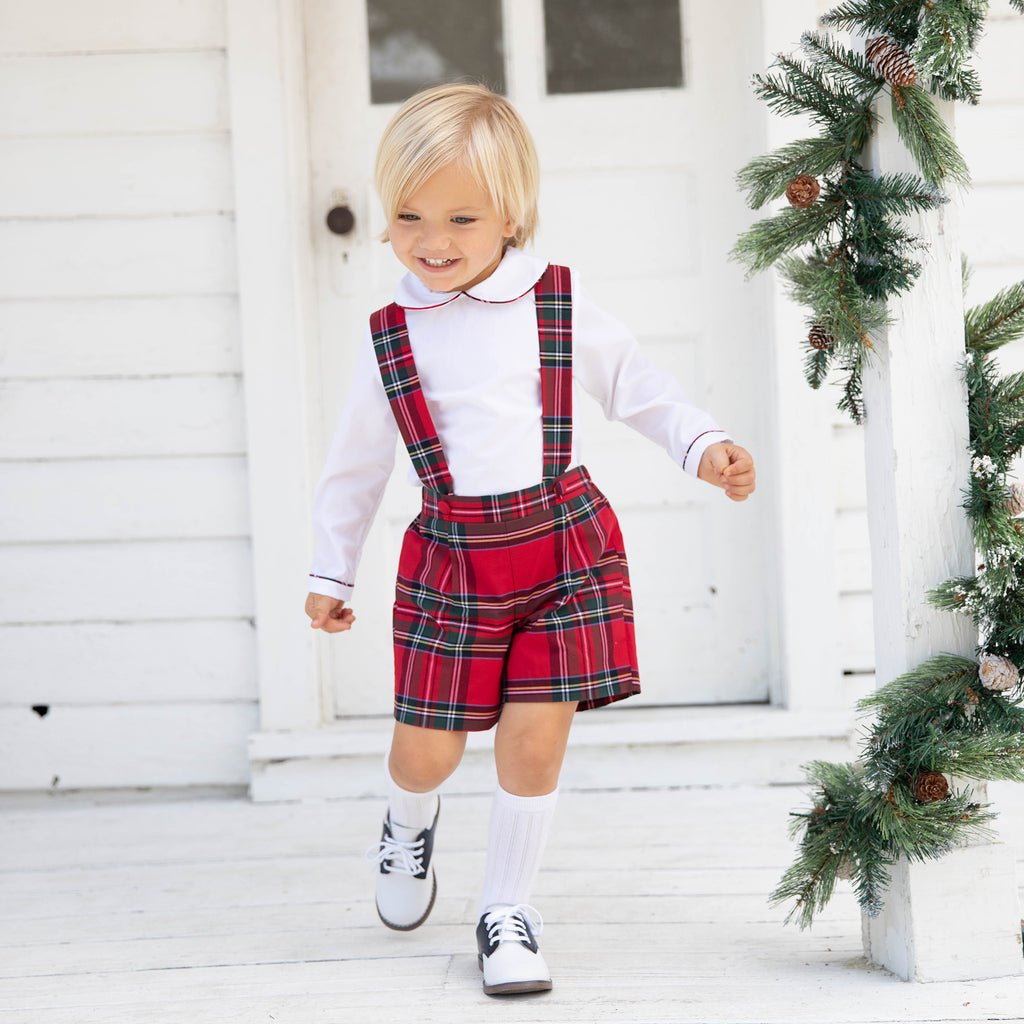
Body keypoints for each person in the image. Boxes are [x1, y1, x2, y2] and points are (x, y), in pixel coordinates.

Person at [305, 83, 755, 997]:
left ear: (512, 213)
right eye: (409, 216)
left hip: (564, 551)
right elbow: (355, 464)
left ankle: (504, 912)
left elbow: (640, 387)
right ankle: (406, 821)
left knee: (535, 741)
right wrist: (330, 569)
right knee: (427, 750)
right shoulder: (393, 334)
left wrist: (702, 445)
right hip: (454, 562)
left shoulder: (556, 300)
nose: (434, 239)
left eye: (463, 216)